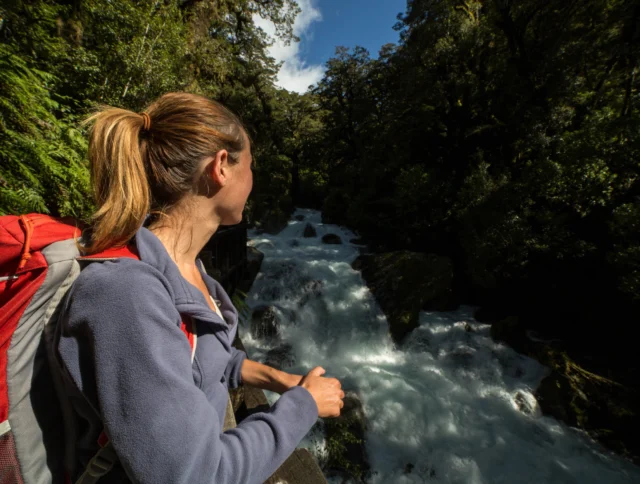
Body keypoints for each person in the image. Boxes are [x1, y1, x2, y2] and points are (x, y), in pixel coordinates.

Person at [57, 92, 344, 483]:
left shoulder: (186, 271)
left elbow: (199, 360)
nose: (253, 180)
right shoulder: (127, 294)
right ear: (221, 167)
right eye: (251, 165)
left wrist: (276, 379)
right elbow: (197, 475)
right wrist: (304, 404)